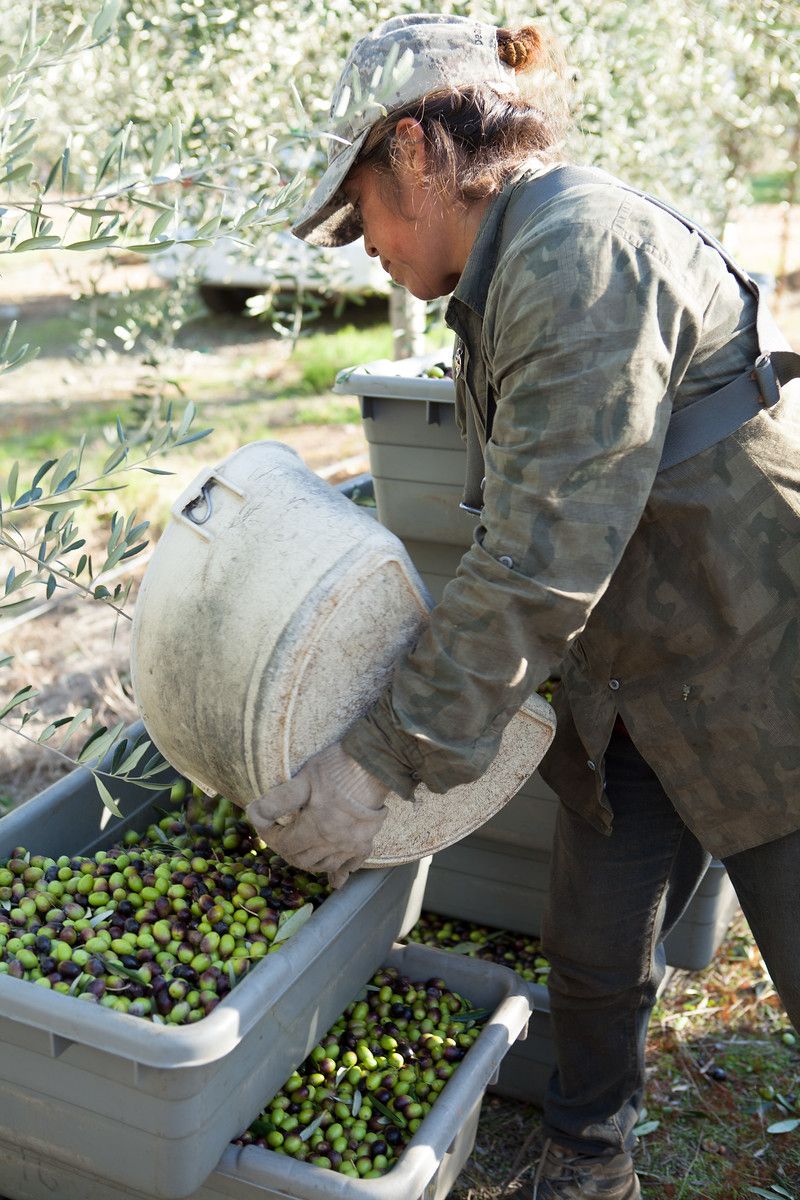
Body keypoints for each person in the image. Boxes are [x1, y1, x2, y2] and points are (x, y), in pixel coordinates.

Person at [245, 14, 800, 1199]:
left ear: (413, 153)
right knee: (594, 950)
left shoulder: (574, 255)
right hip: (631, 671)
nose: (361, 250)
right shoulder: (510, 264)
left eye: (357, 215)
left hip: (753, 652)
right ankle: (587, 1153)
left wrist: (378, 761)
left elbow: (536, 560)